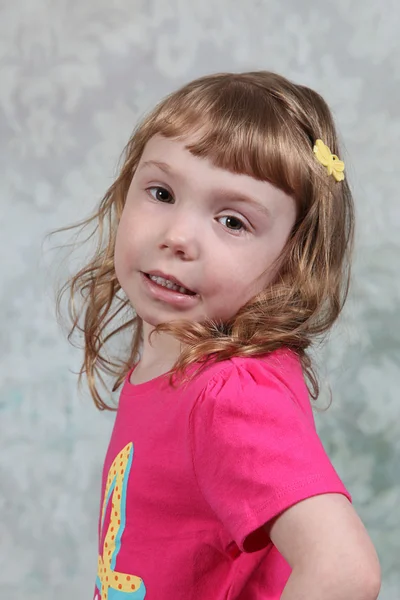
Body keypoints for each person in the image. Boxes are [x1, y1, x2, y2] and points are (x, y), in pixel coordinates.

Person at [56, 71, 381, 599]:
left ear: (291, 263)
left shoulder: (231, 396)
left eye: (232, 221)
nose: (178, 237)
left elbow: (344, 571)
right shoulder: (180, 361)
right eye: (161, 192)